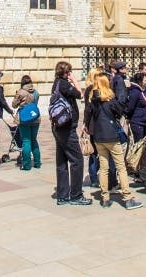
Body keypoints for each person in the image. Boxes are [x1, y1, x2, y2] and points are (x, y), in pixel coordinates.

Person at [84, 71, 141, 210]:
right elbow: (120, 111)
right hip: (111, 136)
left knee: (103, 168)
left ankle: (105, 197)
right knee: (120, 167)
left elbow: (87, 117)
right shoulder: (110, 100)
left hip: (98, 137)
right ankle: (127, 198)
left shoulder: (93, 101)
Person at [50, 61, 89, 206]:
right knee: (77, 160)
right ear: (66, 72)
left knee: (61, 161)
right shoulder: (65, 85)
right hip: (67, 128)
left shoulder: (56, 83)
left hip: (58, 126)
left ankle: (62, 194)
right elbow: (80, 95)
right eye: (69, 72)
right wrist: (75, 81)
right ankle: (76, 195)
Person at [13, 75, 41, 171]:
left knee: (26, 141)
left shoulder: (20, 92)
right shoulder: (36, 92)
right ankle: (37, 163)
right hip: (35, 118)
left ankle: (26, 165)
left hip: (24, 119)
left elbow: (14, 105)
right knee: (34, 140)